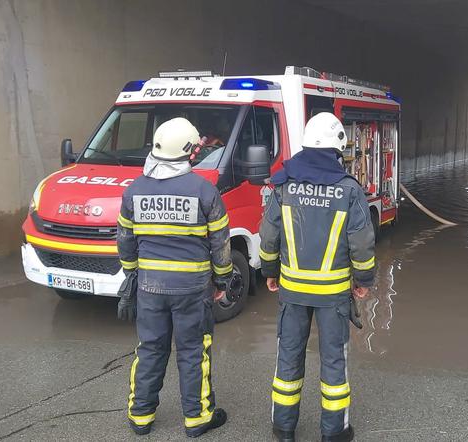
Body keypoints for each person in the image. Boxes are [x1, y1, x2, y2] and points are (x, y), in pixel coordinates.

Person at [259, 112, 377, 442]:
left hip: (292, 292)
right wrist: (364, 280)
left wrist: (270, 272)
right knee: (333, 365)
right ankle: (334, 432)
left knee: (288, 361)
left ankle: (284, 430)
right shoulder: (348, 189)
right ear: (337, 148)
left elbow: (268, 236)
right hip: (334, 295)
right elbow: (362, 242)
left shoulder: (283, 185)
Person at [116, 117, 233, 437]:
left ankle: (140, 416)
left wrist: (132, 273)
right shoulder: (204, 191)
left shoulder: (134, 191)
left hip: (150, 287)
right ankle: (197, 418)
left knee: (150, 348)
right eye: (194, 148)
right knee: (194, 351)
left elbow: (125, 240)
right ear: (187, 151)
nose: (197, 152)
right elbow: (220, 244)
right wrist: (221, 282)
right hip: (193, 289)